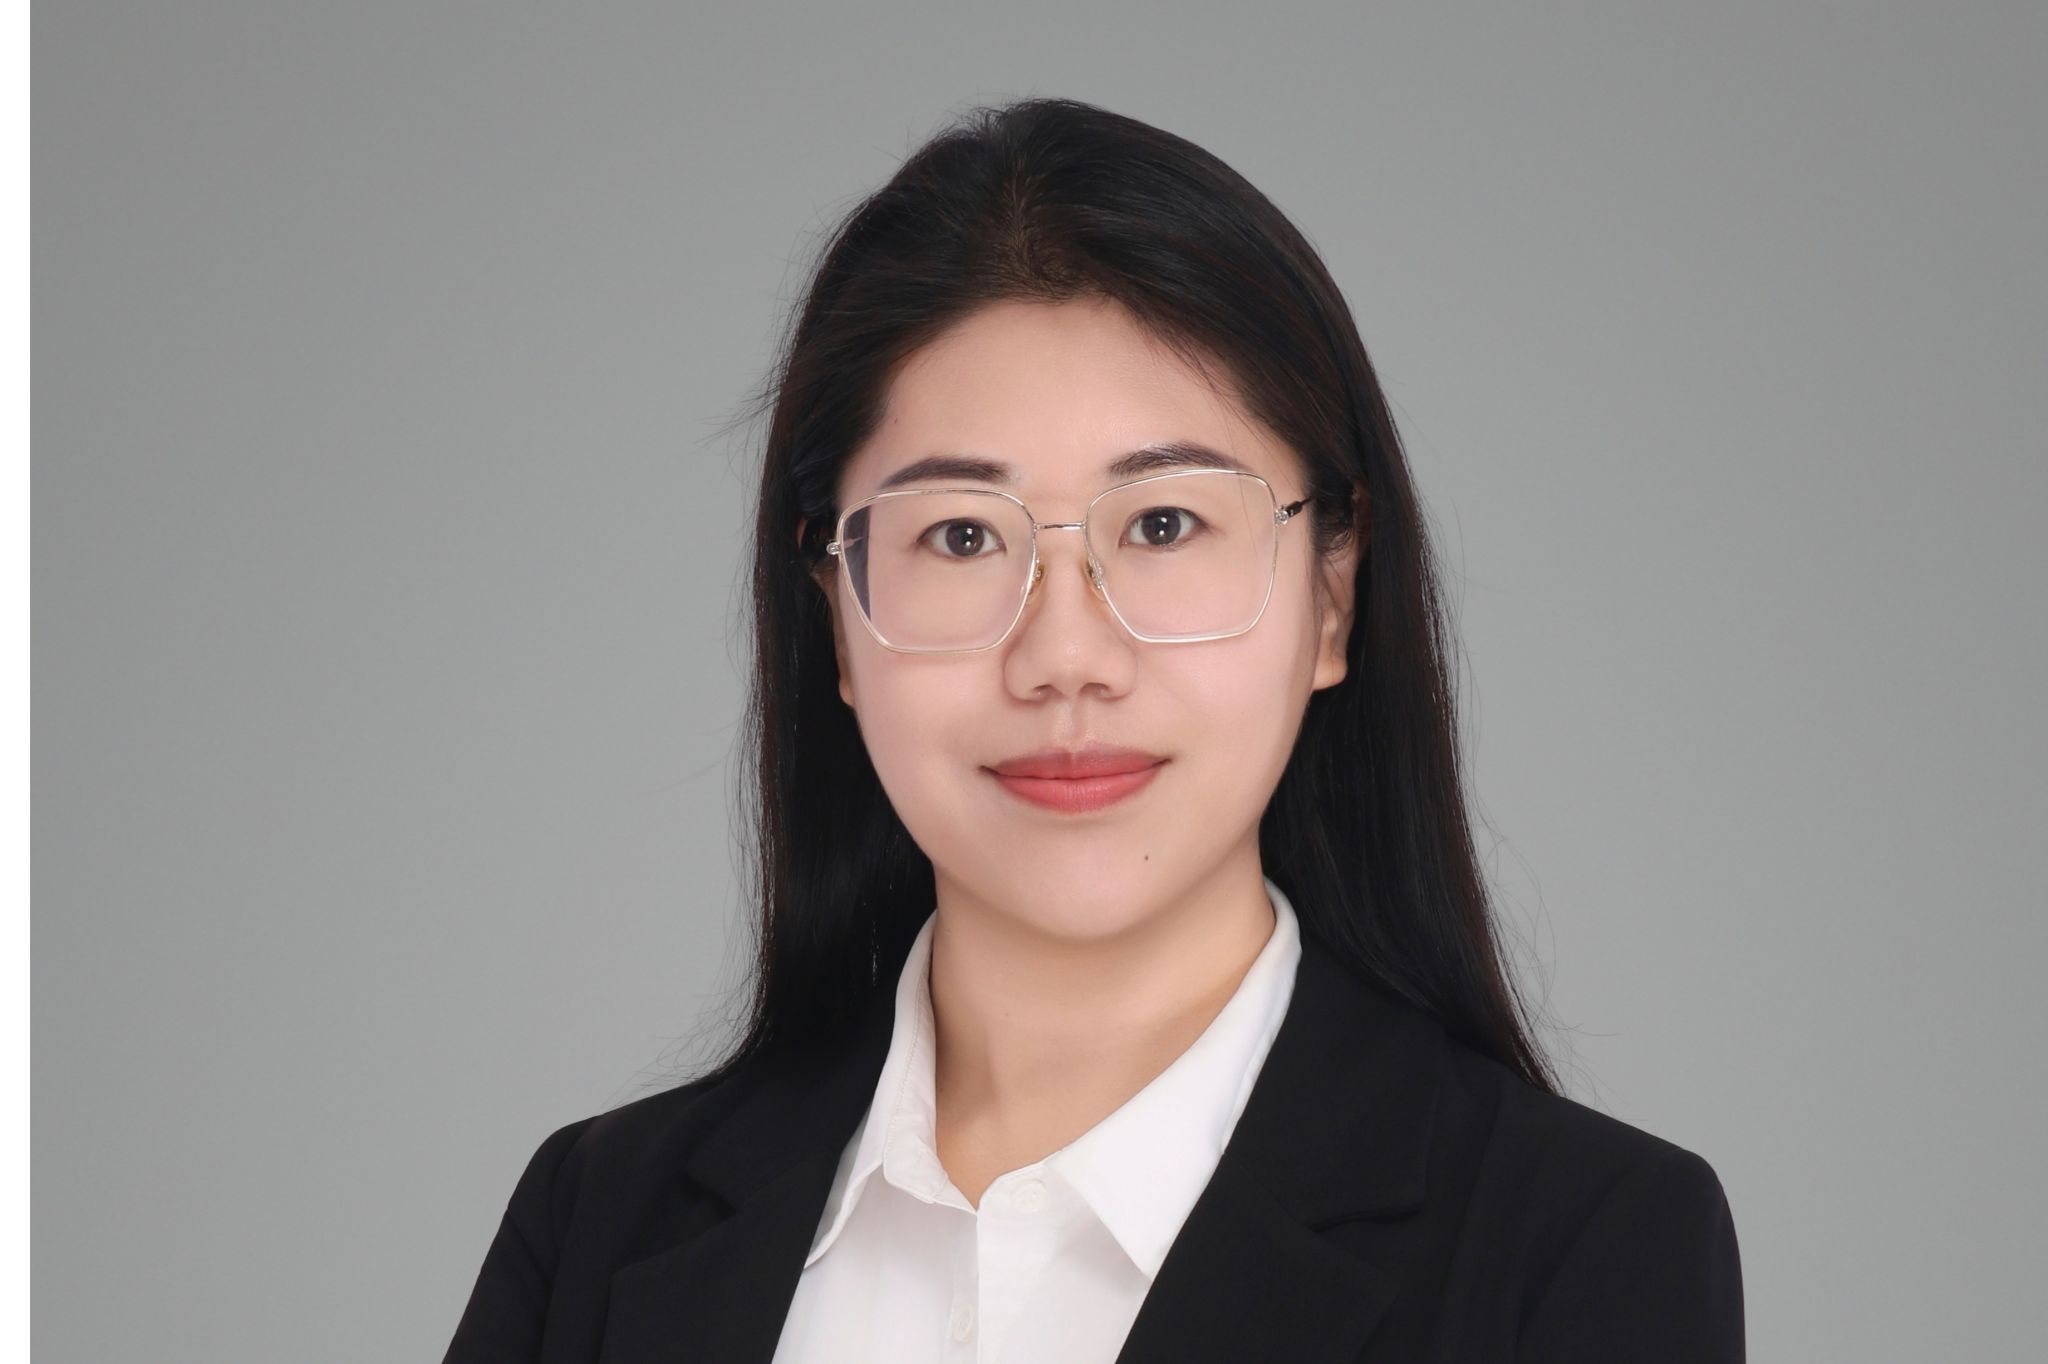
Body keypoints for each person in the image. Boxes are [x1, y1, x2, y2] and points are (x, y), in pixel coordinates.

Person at [443, 96, 1744, 1363]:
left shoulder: (1577, 1251)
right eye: (961, 537)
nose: (1065, 657)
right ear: (836, 614)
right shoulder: (599, 1228)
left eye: (1165, 525)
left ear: (1333, 596)